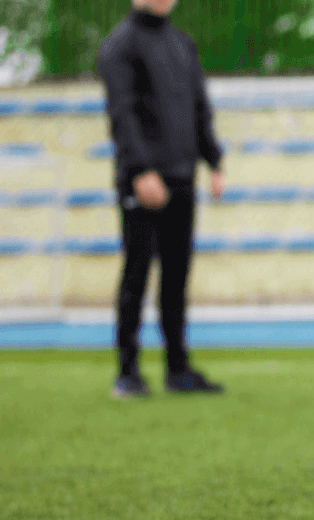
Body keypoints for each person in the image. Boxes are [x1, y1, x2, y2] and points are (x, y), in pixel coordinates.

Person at [99, 0, 226, 398]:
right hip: (143, 182)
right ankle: (127, 371)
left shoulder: (181, 43)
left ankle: (178, 368)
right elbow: (122, 114)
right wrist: (139, 170)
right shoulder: (119, 46)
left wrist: (213, 159)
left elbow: (198, 106)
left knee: (176, 277)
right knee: (136, 272)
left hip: (182, 177)